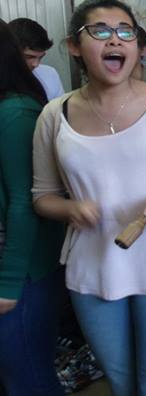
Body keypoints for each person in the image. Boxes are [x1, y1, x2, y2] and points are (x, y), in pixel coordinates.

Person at [32, 0, 146, 396]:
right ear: (74, 46)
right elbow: (42, 196)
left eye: (125, 32)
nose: (115, 40)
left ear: (138, 46)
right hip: (92, 271)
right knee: (123, 386)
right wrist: (71, 207)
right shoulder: (54, 115)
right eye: (100, 31)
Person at [0, 20, 64, 395]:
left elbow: (25, 203)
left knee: (27, 378)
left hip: (22, 272)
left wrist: (9, 284)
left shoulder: (16, 112)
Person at [9, 17, 65, 100]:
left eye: (41, 57)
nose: (36, 64)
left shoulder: (50, 74)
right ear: (10, 50)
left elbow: (61, 106)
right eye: (29, 57)